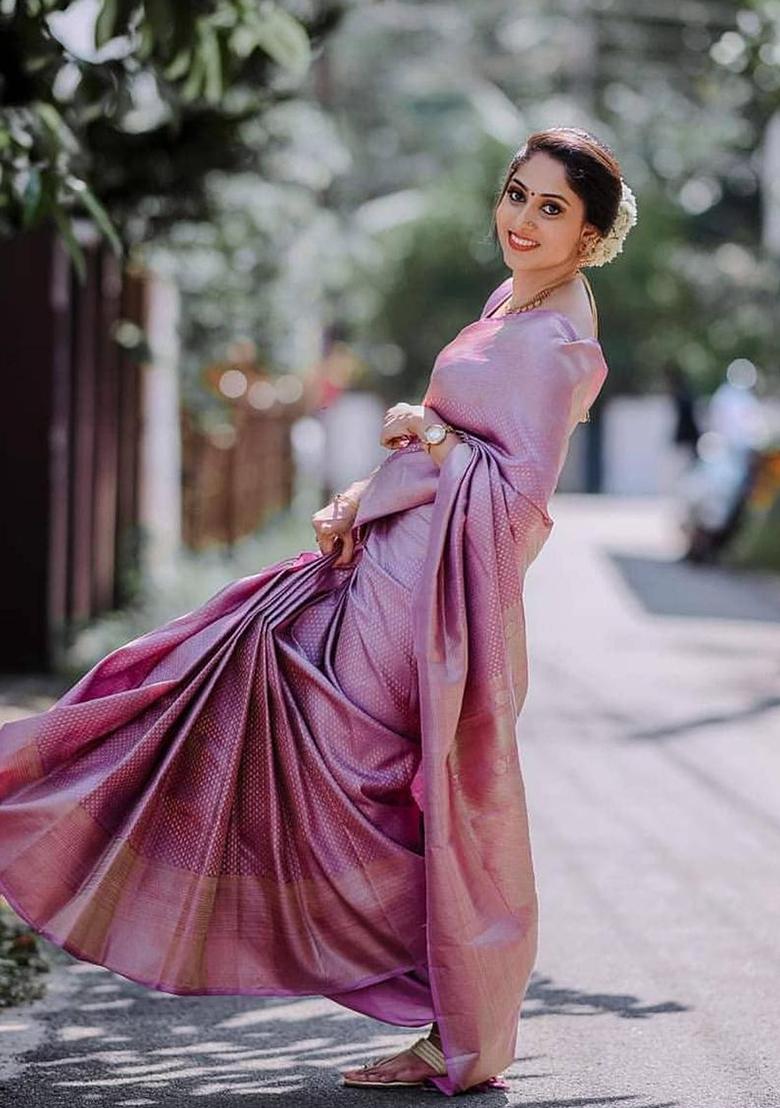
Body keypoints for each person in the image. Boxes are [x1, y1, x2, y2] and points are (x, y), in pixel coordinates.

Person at [0, 126, 636, 1096]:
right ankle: (50, 793)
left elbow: (516, 509)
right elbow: (455, 440)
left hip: (428, 596)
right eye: (517, 194)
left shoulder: (560, 347)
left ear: (589, 237)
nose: (522, 219)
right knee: (220, 660)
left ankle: (452, 1005)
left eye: (552, 209)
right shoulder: (511, 300)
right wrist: (359, 495)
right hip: (381, 558)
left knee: (343, 777)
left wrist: (428, 436)